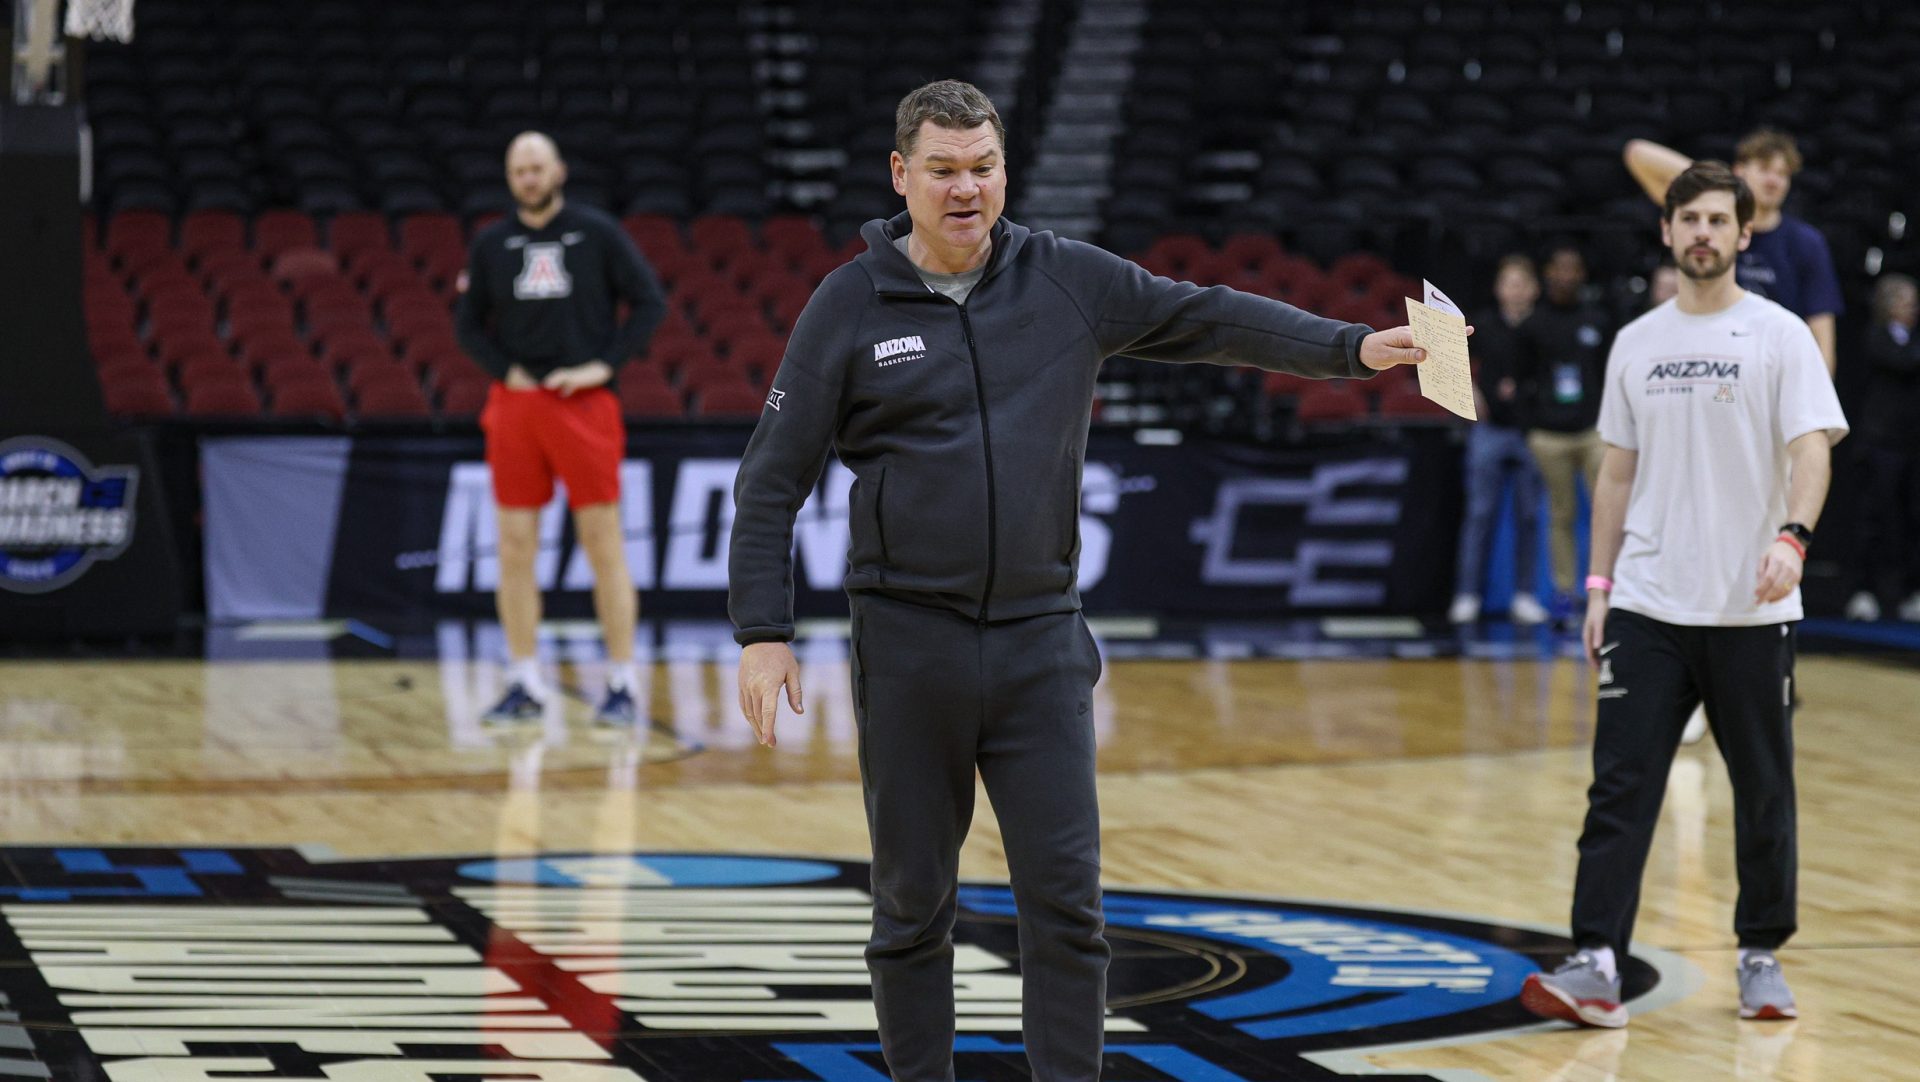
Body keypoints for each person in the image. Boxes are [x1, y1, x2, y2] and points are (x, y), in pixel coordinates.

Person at [727, 80, 1439, 1082]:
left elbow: (1206, 316)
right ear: (901, 175)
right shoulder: (846, 305)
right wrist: (763, 627)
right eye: (943, 170)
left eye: (983, 168)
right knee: (910, 907)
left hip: (1039, 644)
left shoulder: (1066, 279)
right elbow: (769, 484)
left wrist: (1349, 347)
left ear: (1005, 170)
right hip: (907, 646)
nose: (966, 189)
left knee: (1068, 906)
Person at [1521, 162, 1846, 1028]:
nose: (1702, 232)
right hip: (1648, 603)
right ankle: (1595, 963)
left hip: (1751, 608)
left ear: (1745, 235)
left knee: (1764, 792)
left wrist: (1795, 538)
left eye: (1718, 220)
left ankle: (1760, 954)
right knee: (1619, 788)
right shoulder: (1636, 341)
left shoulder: (1780, 336)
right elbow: (1616, 478)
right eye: (1688, 218)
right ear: (1666, 233)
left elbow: (1814, 451)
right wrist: (1598, 585)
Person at [455, 132, 667, 725]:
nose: (528, 177)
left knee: (603, 543)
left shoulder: (596, 232)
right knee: (514, 548)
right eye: (518, 169)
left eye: (537, 167)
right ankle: (523, 680)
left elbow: (650, 302)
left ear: (559, 171)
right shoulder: (492, 243)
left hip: (584, 404)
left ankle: (622, 683)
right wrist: (507, 371)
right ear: (508, 176)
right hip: (518, 406)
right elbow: (466, 325)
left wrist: (606, 365)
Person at [1624, 130, 1843, 376]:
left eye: (1782, 174)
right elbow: (1637, 153)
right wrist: (1718, 185)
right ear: (1740, 171)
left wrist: (1819, 397)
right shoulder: (1710, 229)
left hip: (1775, 372)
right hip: (1714, 369)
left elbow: (1822, 334)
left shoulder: (1806, 242)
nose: (1773, 181)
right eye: (1764, 169)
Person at [1450, 254, 1547, 625]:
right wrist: (1471, 390)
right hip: (1489, 430)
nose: (1516, 290)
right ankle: (1467, 595)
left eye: (1523, 283)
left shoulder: (1543, 326)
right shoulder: (1484, 324)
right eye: (1510, 283)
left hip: (1530, 431)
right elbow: (1452, 360)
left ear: (1535, 289)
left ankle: (1524, 595)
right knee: (1480, 514)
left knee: (1528, 515)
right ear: (1498, 288)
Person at [1516, 243, 1611, 614]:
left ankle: (1603, 588)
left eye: (1574, 269)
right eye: (1560, 268)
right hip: (1549, 435)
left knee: (1606, 510)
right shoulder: (1532, 325)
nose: (1567, 276)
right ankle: (1564, 591)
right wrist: (1531, 429)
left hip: (1592, 432)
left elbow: (1610, 374)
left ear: (1583, 275)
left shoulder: (1598, 320)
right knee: (1561, 514)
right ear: (1548, 274)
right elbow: (1518, 381)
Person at [1843, 274, 1920, 622]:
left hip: (1911, 443)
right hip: (1880, 444)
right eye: (1905, 301)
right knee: (1874, 517)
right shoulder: (1875, 337)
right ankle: (1864, 591)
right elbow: (1900, 361)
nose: (1912, 308)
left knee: (1910, 520)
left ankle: (1908, 592)